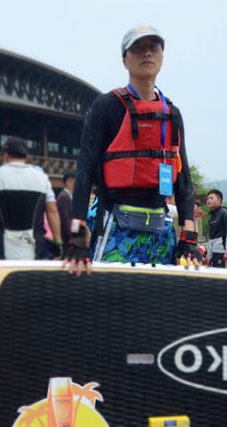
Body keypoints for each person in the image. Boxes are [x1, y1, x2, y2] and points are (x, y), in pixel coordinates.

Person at [65, 25, 198, 275]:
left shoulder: (172, 114)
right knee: (109, 296)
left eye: (153, 47)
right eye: (138, 48)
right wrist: (77, 233)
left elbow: (184, 180)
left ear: (162, 57)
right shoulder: (106, 107)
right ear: (125, 60)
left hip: (161, 226)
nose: (147, 53)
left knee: (157, 296)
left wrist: (188, 233)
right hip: (115, 224)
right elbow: (83, 171)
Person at [0, 137, 62, 260]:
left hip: (2, 247)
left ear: (5, 155)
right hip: (34, 246)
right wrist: (57, 240)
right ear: (26, 157)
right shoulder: (42, 178)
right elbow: (52, 211)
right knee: (31, 272)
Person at [206, 189, 227, 268]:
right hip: (215, 254)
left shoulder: (225, 213)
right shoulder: (212, 217)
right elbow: (211, 238)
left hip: (224, 254)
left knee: (225, 274)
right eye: (207, 199)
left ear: (219, 200)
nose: (208, 200)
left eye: (211, 198)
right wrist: (209, 255)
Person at [56, 172, 75, 251]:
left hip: (67, 234)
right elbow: (65, 218)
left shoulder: (68, 196)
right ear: (68, 182)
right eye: (74, 181)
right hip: (64, 235)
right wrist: (70, 236)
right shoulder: (63, 196)